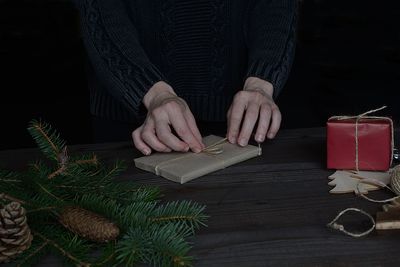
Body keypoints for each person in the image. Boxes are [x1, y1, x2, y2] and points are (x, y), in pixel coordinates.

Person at [73, 0, 298, 155]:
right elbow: (100, 11)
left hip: (245, 119)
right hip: (131, 121)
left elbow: (276, 6)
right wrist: (152, 93)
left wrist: (261, 80)